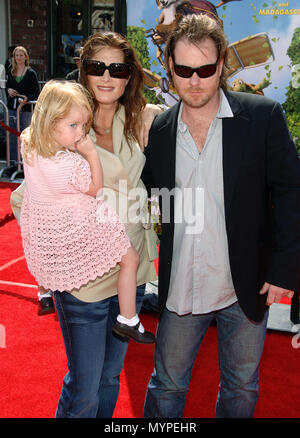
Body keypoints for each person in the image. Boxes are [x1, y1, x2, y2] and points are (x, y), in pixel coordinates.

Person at [142, 14, 300, 418]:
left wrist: (284, 269)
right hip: (181, 287)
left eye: (206, 69)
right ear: (170, 68)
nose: (195, 81)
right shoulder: (159, 130)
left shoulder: (262, 117)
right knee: (166, 388)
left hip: (243, 285)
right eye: (184, 70)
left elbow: (290, 193)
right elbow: (142, 195)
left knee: (241, 388)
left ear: (223, 65)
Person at [11, 31, 161, 418]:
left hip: (133, 266)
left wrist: (154, 111)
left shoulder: (140, 119)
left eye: (118, 68)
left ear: (129, 76)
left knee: (111, 378)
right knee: (84, 389)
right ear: (83, 71)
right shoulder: (64, 127)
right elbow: (25, 196)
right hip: (84, 277)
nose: (107, 77)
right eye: (97, 67)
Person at [20, 79, 155, 346]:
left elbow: (31, 133)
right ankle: (128, 319)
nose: (80, 134)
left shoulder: (28, 145)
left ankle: (48, 292)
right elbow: (95, 188)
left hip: (49, 230)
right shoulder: (71, 163)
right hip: (84, 225)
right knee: (130, 259)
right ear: (50, 121)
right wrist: (91, 153)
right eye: (73, 126)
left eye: (83, 126)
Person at [5, 46, 40, 173]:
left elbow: (36, 92)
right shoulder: (10, 71)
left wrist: (26, 98)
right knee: (12, 136)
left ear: (26, 57)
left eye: (21, 55)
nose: (19, 58)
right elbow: (7, 87)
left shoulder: (31, 73)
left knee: (26, 137)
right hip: (12, 108)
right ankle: (14, 164)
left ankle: (26, 165)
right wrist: (8, 90)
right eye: (16, 55)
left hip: (25, 109)